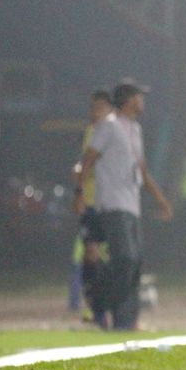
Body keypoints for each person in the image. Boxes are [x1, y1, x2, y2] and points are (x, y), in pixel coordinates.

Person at [74, 82, 173, 330]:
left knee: (135, 263)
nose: (143, 101)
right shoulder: (108, 126)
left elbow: (141, 169)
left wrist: (160, 199)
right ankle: (98, 301)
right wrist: (79, 193)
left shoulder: (135, 129)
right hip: (112, 203)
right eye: (140, 97)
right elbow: (88, 159)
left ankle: (125, 321)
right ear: (129, 100)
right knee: (125, 258)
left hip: (132, 205)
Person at [71, 90, 113, 327]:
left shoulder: (116, 131)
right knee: (90, 255)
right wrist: (78, 186)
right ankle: (97, 310)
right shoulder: (91, 131)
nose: (95, 111)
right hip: (91, 202)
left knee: (113, 257)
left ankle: (112, 309)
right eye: (93, 106)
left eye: (100, 107)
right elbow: (85, 161)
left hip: (111, 203)